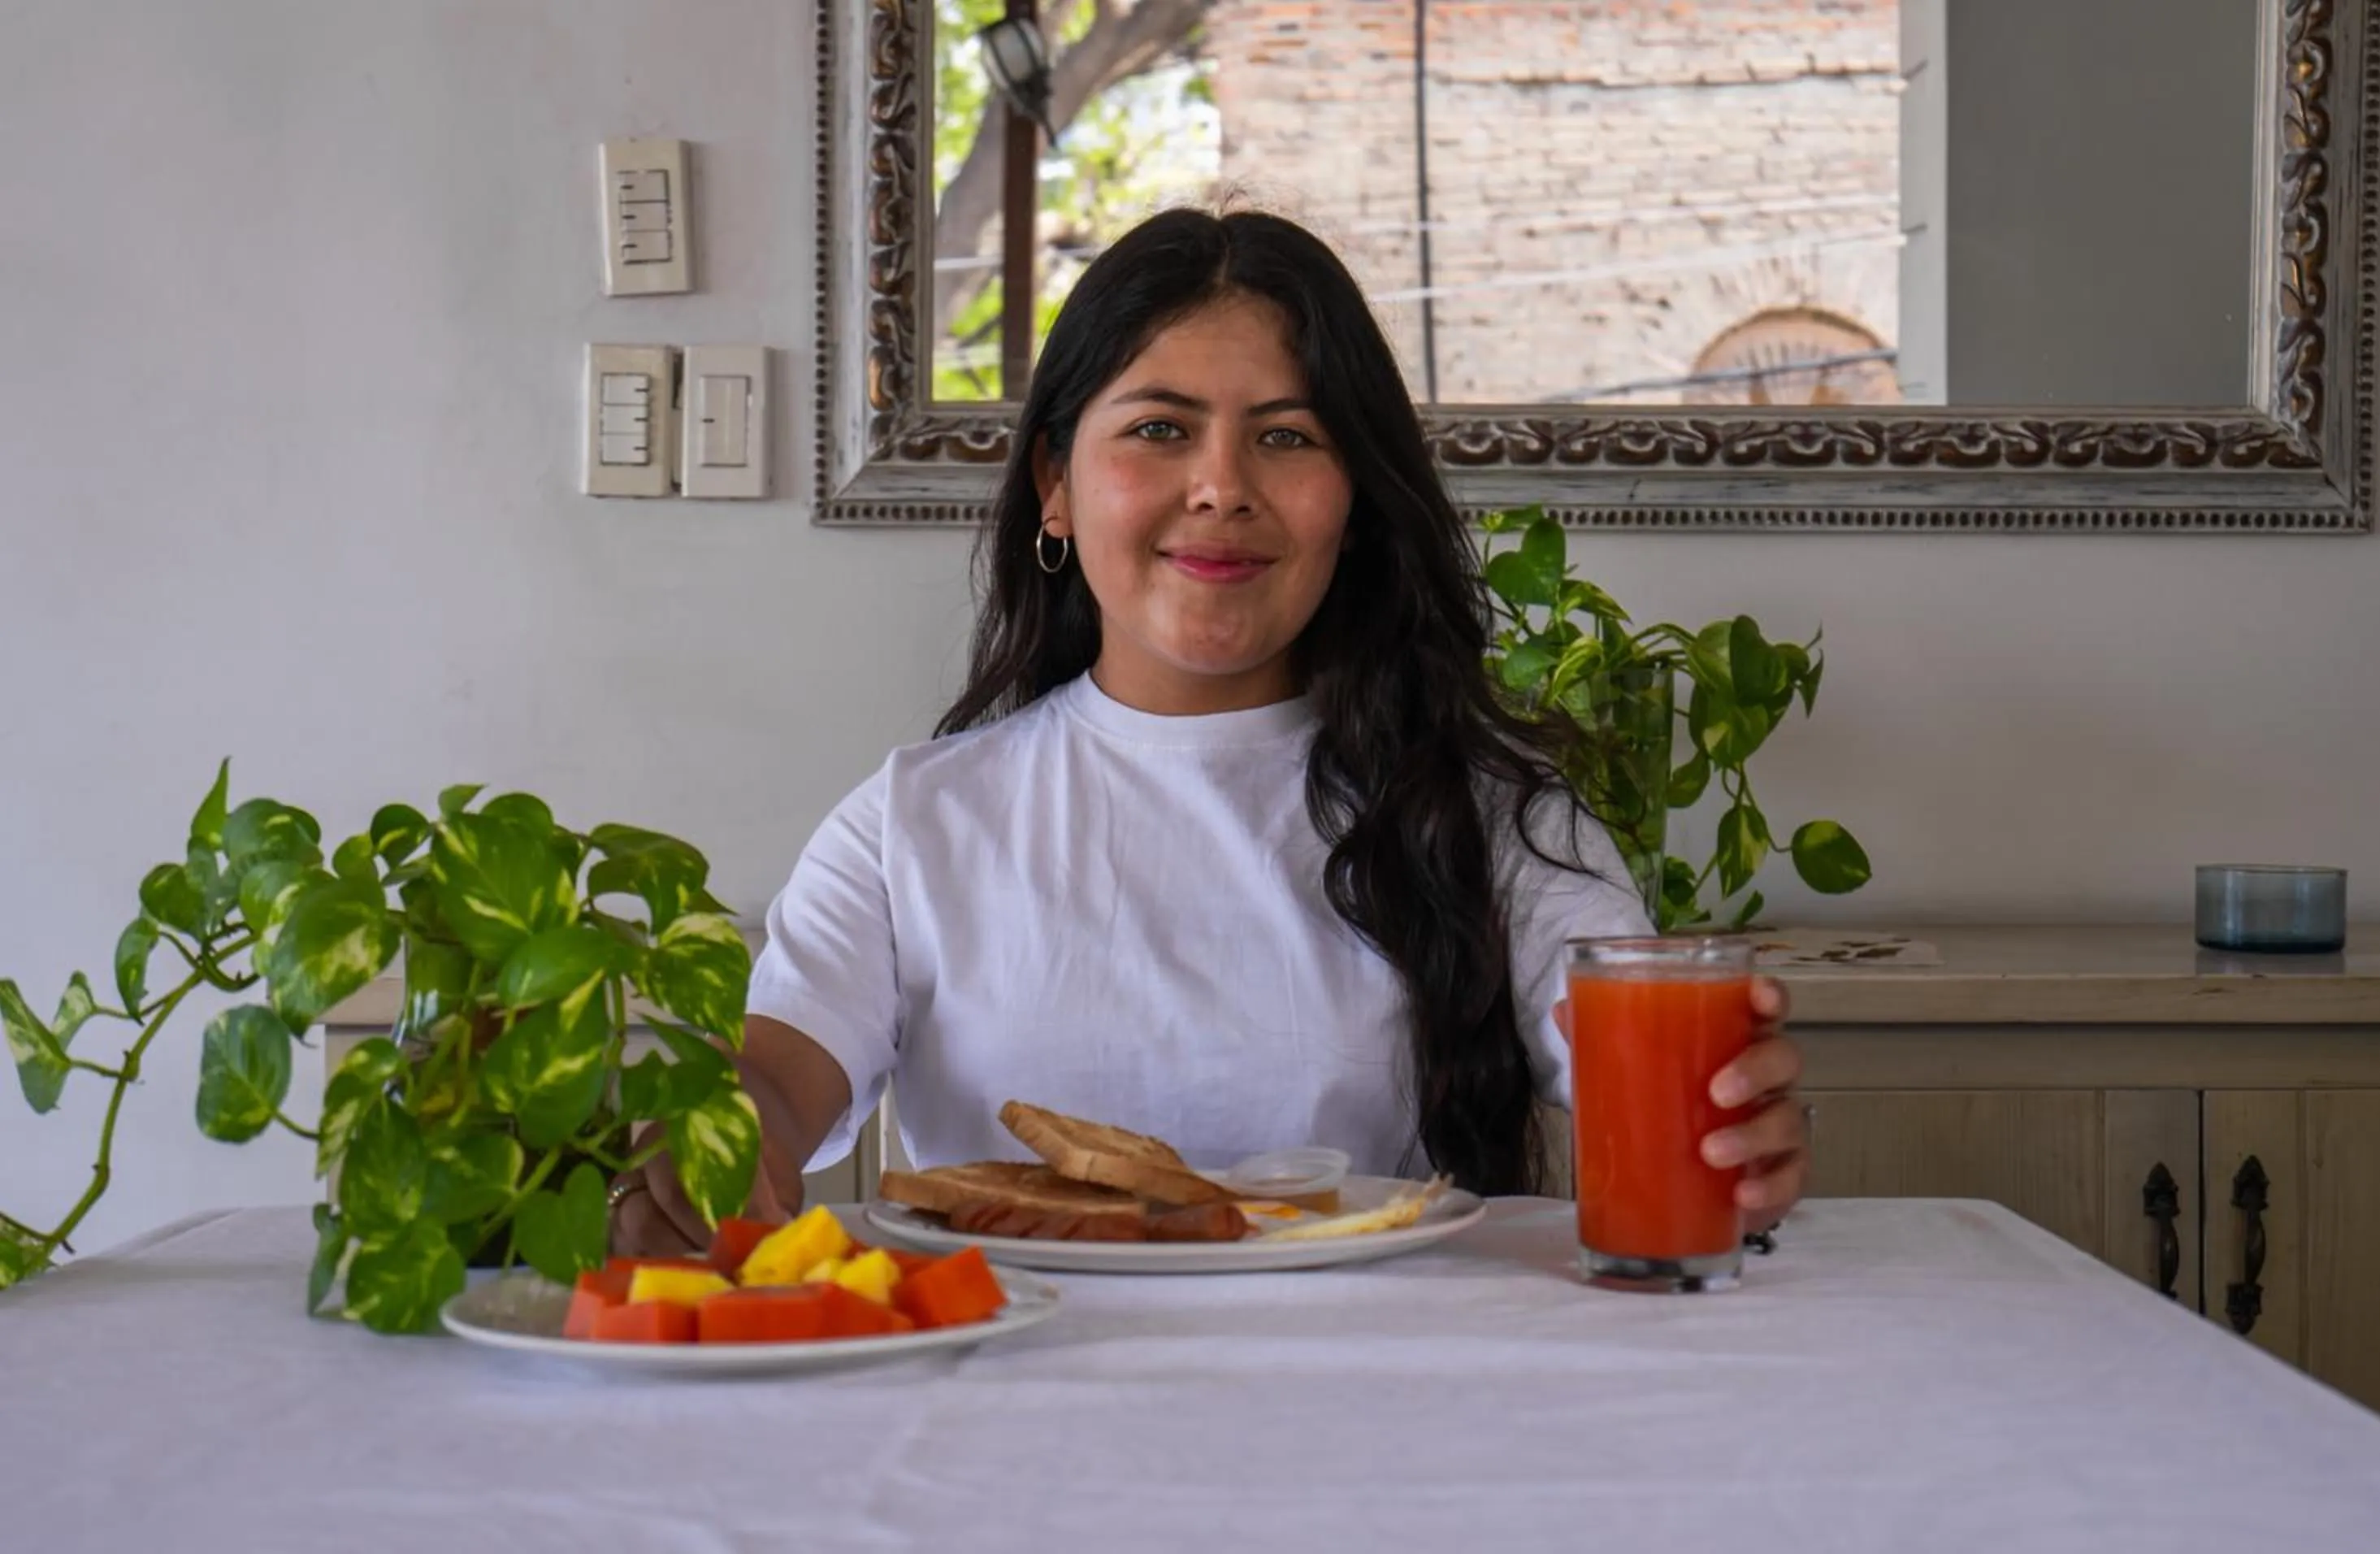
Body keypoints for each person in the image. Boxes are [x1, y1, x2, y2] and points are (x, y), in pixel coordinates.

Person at [613, 207, 1809, 1252]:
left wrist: (1722, 1133)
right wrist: (709, 1137)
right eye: (1159, 429)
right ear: (1056, 486)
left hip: (1387, 1406)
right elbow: (777, 1075)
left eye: (1287, 437)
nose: (1223, 485)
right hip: (1003, 1413)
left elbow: (1628, 1079)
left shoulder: (1499, 819)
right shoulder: (913, 823)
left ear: (1357, 497)